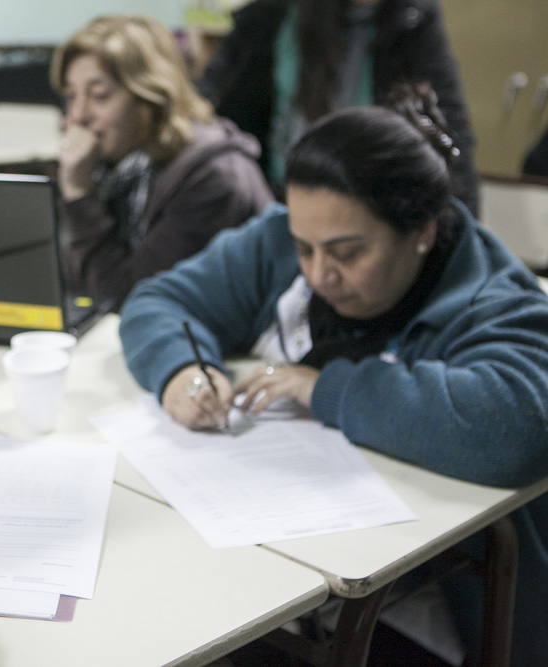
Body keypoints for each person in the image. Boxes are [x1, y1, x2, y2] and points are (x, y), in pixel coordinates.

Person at [119, 92, 548, 665]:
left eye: (348, 252)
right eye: (305, 248)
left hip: (426, 610)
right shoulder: (279, 239)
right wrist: (181, 370)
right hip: (277, 569)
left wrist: (326, 388)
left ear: (421, 230)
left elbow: (513, 426)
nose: (321, 274)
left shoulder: (490, 297)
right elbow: (160, 300)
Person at [50, 15, 274, 311]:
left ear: (151, 97)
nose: (78, 115)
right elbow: (76, 284)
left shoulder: (213, 178)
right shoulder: (112, 166)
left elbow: (131, 303)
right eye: (71, 96)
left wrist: (79, 196)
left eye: (99, 96)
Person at [197, 0, 481, 215]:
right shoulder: (272, 16)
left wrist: (461, 234)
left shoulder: (412, 18)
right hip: (270, 203)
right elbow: (211, 103)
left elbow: (452, 134)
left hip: (369, 208)